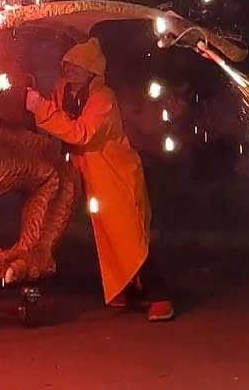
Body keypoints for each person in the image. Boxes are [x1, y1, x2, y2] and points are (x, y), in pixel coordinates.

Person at [23, 38, 174, 322]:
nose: (71, 71)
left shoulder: (103, 98)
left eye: (78, 67)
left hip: (116, 174)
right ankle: (128, 290)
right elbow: (56, 123)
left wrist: (40, 109)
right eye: (67, 65)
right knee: (107, 236)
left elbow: (80, 133)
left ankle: (159, 296)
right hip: (90, 174)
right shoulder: (61, 90)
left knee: (129, 236)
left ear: (93, 71)